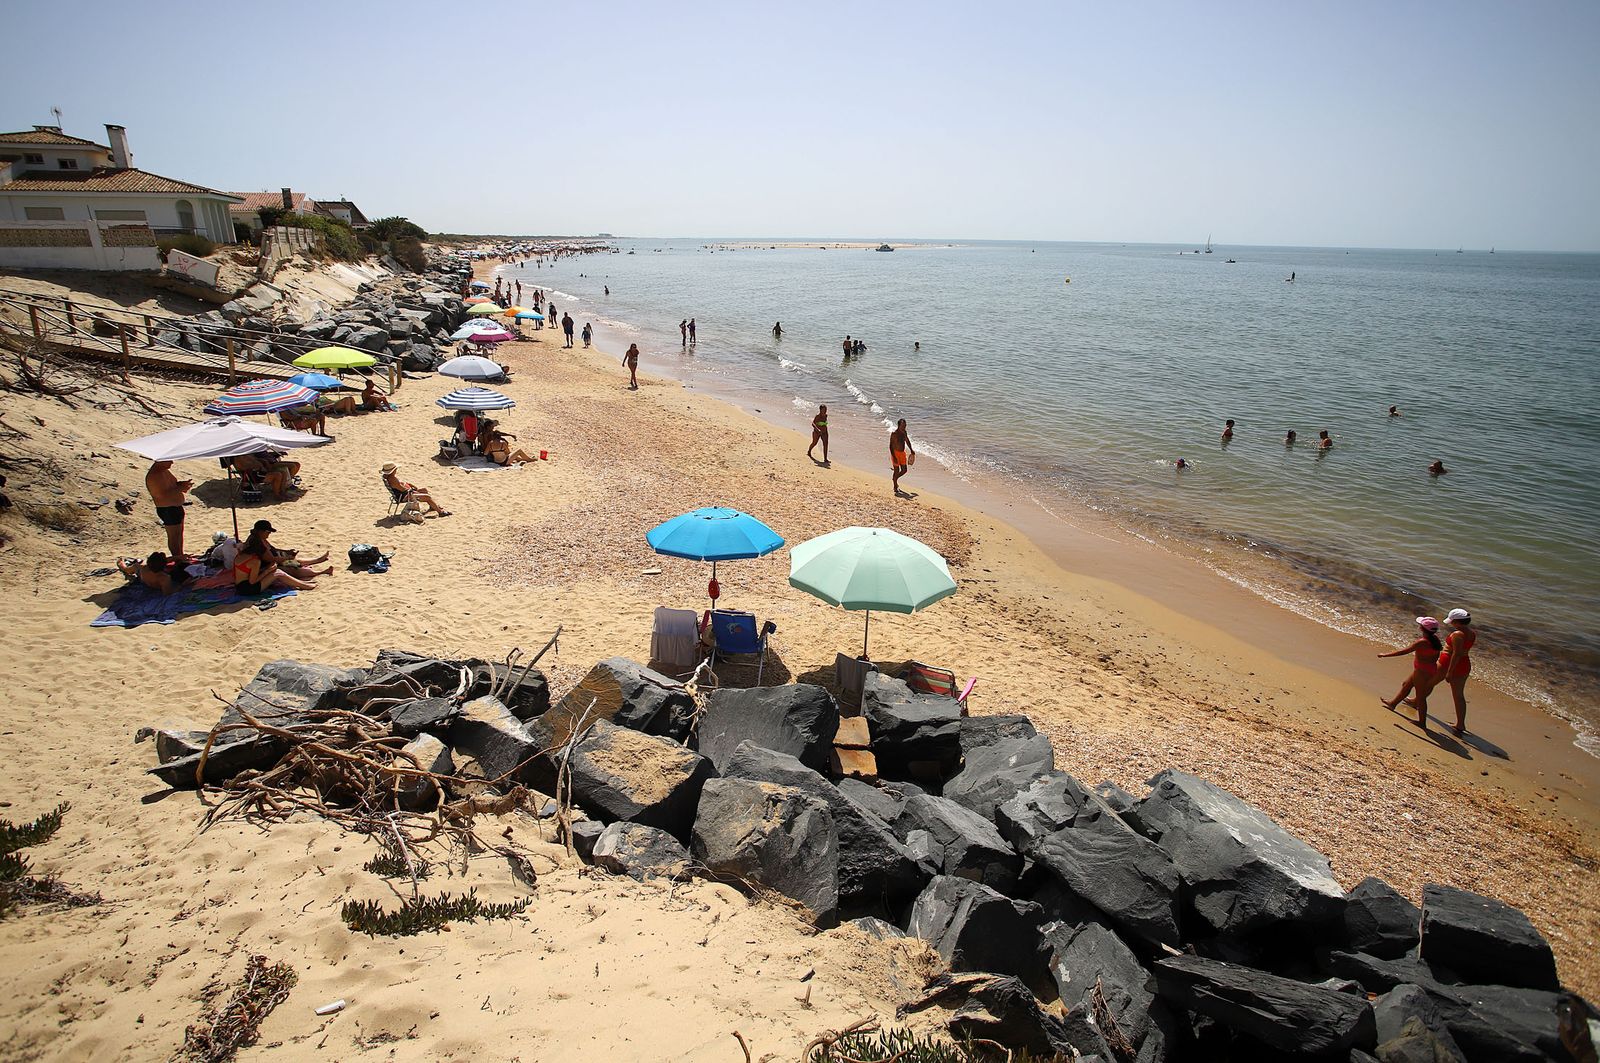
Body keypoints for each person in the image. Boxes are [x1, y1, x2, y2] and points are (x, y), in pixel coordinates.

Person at [1379, 616, 1442, 727]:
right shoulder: (1435, 640)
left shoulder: (1422, 642)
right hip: (1428, 669)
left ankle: (1422, 722)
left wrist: (1386, 655)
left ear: (1422, 628)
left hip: (1423, 671)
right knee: (1406, 684)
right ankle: (1392, 704)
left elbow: (1404, 651)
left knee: (1420, 697)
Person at [232, 520, 319, 594]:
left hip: (239, 587)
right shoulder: (255, 561)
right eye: (268, 532)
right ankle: (305, 585)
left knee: (281, 570)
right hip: (249, 589)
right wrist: (268, 571)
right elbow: (252, 581)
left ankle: (303, 583)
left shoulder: (240, 556)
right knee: (279, 573)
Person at [1435, 609, 1476, 735]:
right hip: (1464, 664)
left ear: (1457, 622)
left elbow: (1456, 653)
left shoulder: (1457, 634)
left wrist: (1450, 671)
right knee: (1459, 695)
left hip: (1450, 664)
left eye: (1452, 621)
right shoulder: (1471, 633)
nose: (1451, 624)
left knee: (1429, 682)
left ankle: (1416, 701)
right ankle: (1460, 724)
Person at [145, 460, 193, 559]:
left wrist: (182, 485)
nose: (172, 462)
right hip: (167, 509)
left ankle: (180, 555)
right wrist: (179, 488)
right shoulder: (154, 476)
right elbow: (161, 495)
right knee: (174, 537)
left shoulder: (164, 471)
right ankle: (177, 558)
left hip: (176, 506)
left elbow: (172, 486)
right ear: (161, 461)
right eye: (169, 460)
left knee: (179, 535)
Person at [381, 463, 451, 519]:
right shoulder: (392, 479)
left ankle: (433, 507)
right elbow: (404, 490)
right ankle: (440, 512)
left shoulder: (388, 477)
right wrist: (413, 489)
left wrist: (408, 485)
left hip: (402, 494)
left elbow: (401, 486)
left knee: (424, 490)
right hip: (404, 496)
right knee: (427, 497)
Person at [118, 551, 190, 594]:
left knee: (133, 567)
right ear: (163, 566)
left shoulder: (143, 568)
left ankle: (122, 565)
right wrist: (183, 585)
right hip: (157, 585)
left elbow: (159, 562)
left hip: (144, 579)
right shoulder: (164, 578)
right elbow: (168, 593)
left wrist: (177, 557)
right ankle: (123, 566)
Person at [231, 452, 295, 499]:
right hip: (253, 475)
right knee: (278, 475)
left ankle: (283, 492)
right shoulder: (237, 458)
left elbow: (255, 460)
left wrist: (262, 462)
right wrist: (257, 465)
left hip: (259, 471)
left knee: (283, 472)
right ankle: (277, 495)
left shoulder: (246, 454)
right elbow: (243, 467)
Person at [890, 419, 914, 496]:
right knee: (896, 470)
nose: (904, 427)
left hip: (902, 453)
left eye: (905, 425)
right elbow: (890, 446)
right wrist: (894, 456)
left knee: (904, 470)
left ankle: (895, 479)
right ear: (899, 425)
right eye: (903, 426)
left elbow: (907, 441)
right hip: (895, 453)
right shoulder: (894, 434)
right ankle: (895, 486)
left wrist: (911, 450)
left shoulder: (904, 433)